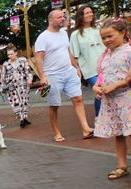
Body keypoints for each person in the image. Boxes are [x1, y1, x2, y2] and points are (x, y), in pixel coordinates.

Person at [34, 9, 95, 142]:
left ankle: (86, 129)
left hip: (69, 72)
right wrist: (42, 77)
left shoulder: (63, 33)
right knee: (54, 105)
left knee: (78, 99)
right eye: (59, 17)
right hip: (52, 76)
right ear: (51, 20)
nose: (62, 19)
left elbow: (67, 51)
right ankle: (56, 132)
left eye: (63, 17)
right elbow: (38, 59)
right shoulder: (43, 37)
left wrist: (76, 67)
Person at [92, 19, 131, 180]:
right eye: (103, 38)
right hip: (111, 102)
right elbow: (101, 76)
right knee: (118, 133)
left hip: (127, 98)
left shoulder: (128, 52)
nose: (107, 40)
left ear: (123, 33)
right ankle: (122, 165)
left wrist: (116, 85)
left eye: (110, 36)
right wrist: (96, 87)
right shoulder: (104, 55)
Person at [70, 4, 105, 118]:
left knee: (104, 92)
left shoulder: (98, 30)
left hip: (105, 66)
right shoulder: (75, 34)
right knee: (100, 91)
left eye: (91, 12)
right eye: (87, 13)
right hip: (90, 70)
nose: (90, 14)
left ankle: (106, 119)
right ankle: (99, 119)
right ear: (81, 16)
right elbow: (72, 55)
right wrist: (77, 69)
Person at [0, 44, 34, 127]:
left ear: (16, 53)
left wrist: (30, 79)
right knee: (17, 102)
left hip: (23, 85)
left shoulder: (23, 60)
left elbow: (28, 71)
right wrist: (2, 87)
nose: (9, 56)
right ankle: (22, 118)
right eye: (8, 54)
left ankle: (24, 118)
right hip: (11, 86)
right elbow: (3, 76)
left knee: (24, 101)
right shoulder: (6, 64)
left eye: (11, 54)